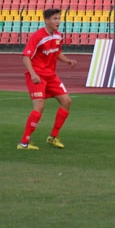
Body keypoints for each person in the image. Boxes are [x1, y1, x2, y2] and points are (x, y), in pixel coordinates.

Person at [18, 8, 78, 150]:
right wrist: (33, 74)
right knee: (40, 105)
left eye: (59, 18)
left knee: (67, 101)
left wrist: (67, 61)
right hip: (37, 75)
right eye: (55, 19)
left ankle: (53, 136)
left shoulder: (58, 36)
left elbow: (57, 52)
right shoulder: (38, 36)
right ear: (47, 21)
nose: (58, 21)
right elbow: (26, 57)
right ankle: (24, 142)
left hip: (51, 75)